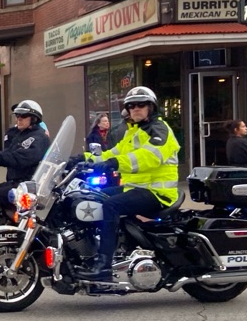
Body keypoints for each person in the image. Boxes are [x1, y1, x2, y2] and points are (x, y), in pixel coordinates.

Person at [74, 86, 180, 283]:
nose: (136, 109)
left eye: (141, 105)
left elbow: (149, 157)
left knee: (110, 205)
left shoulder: (159, 130)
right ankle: (92, 250)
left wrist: (115, 164)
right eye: (131, 106)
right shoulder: (134, 133)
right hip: (136, 188)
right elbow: (111, 154)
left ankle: (104, 267)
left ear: (151, 107)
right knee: (89, 196)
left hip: (157, 193)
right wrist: (83, 159)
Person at [0, 99, 50, 227]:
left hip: (27, 185)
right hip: (15, 182)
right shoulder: (21, 135)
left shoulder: (39, 137)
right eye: (17, 116)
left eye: (23, 116)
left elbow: (18, 158)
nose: (18, 119)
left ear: (34, 119)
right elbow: (7, 154)